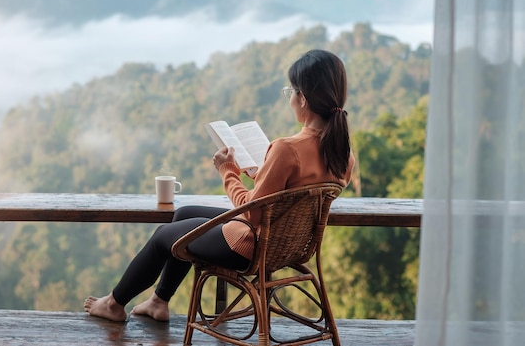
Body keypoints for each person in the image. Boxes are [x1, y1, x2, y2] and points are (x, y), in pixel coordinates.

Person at [83, 48, 355, 322]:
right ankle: (158, 301)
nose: (290, 99)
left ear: (303, 99)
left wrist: (228, 172)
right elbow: (291, 195)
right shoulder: (343, 155)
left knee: (164, 236)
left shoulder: (287, 149)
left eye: (290, 92)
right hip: (286, 246)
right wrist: (262, 174)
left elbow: (253, 212)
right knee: (185, 214)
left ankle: (113, 304)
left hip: (251, 244)